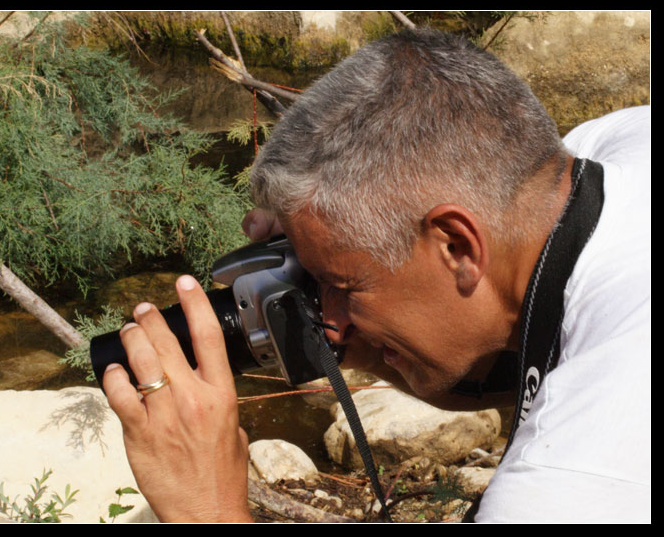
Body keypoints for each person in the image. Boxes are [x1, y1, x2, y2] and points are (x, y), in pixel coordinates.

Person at [102, 28, 650, 523]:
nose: (332, 323)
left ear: (458, 246)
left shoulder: (570, 484)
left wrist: (207, 509)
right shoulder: (602, 155)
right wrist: (348, 309)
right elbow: (516, 339)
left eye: (342, 288)